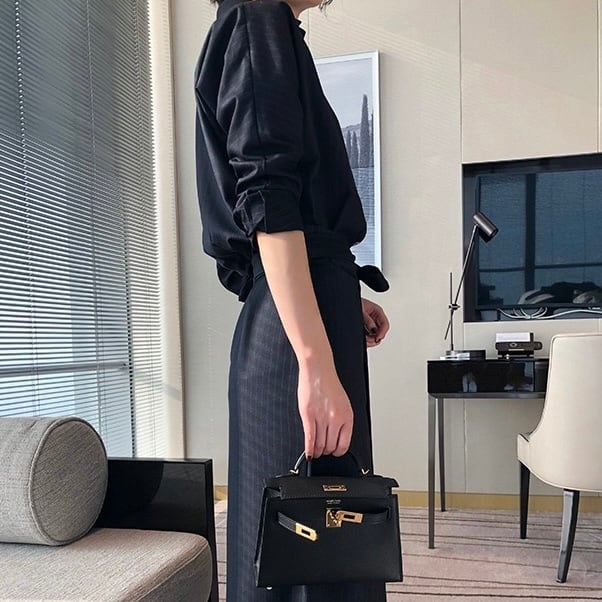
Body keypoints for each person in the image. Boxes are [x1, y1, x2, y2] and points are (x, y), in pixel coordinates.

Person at [194, 0, 390, 600]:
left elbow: (283, 209)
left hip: (307, 313)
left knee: (329, 529)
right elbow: (268, 203)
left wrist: (342, 296)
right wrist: (313, 359)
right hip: (293, 337)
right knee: (299, 542)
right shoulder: (256, 18)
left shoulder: (268, 27)